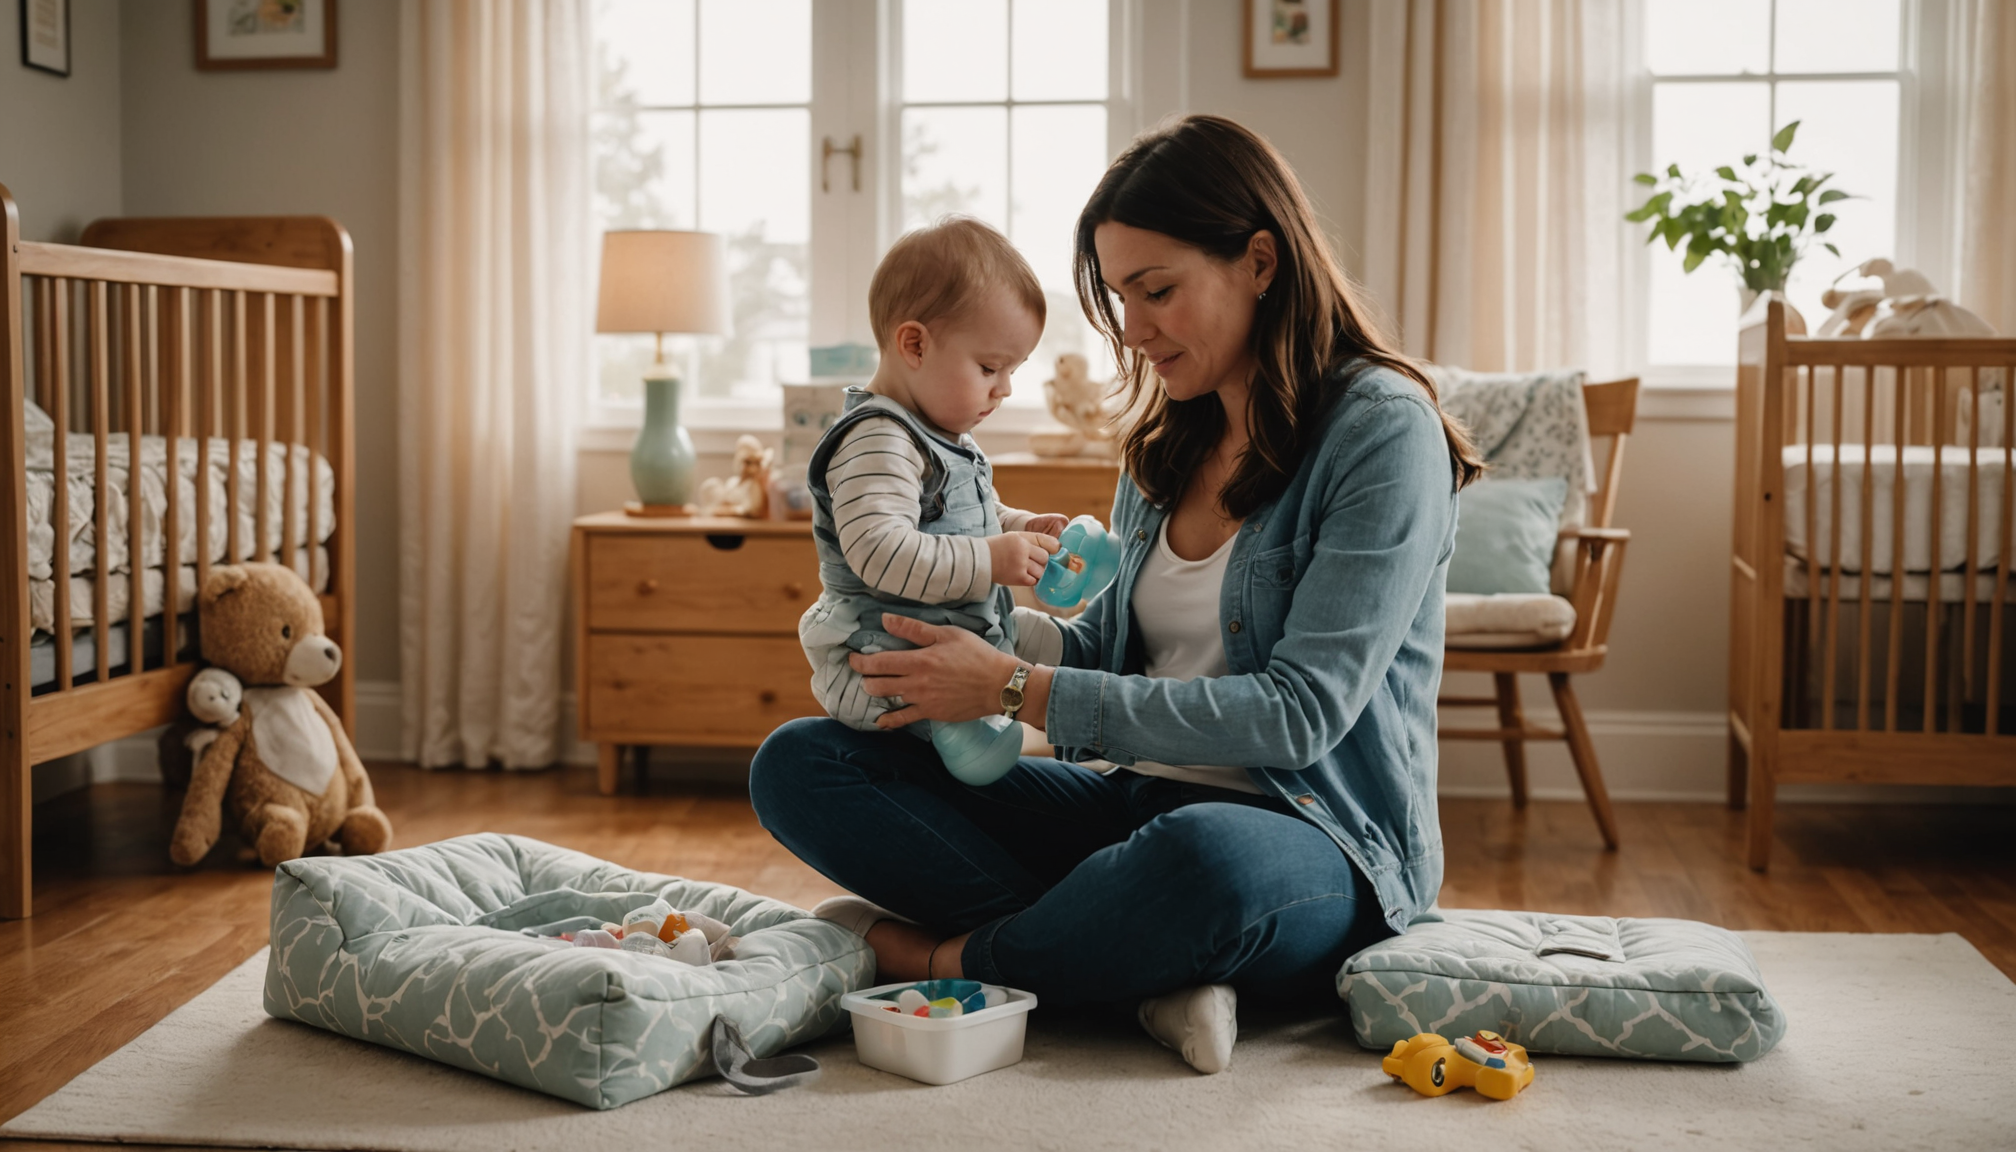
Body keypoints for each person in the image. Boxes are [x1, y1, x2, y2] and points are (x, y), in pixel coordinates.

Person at [751, 115, 1484, 1075]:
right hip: (1139, 806)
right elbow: (1104, 650)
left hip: (1316, 838)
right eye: (1119, 300)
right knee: (806, 763)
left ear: (1259, 261)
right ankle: (1133, 962)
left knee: (1203, 863)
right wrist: (966, 652)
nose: (1133, 332)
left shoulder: (1382, 431)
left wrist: (1013, 691)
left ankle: (952, 954)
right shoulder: (1166, 440)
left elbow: (1301, 716)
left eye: (1158, 292)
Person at [797, 216, 1070, 739]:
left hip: (953, 629)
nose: (1005, 389)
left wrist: (1019, 525)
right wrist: (993, 558)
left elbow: (962, 517)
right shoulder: (878, 438)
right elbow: (880, 551)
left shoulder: (942, 433)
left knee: (1059, 646)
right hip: (888, 662)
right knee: (990, 737)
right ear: (915, 346)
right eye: (990, 368)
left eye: (1013, 370)